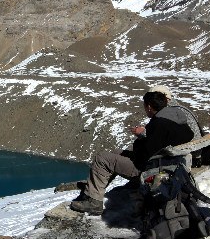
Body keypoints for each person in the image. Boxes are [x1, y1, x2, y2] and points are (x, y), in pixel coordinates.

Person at [69, 86, 197, 215]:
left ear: (149, 107)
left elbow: (144, 155)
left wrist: (140, 137)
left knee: (102, 158)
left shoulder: (158, 123)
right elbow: (160, 143)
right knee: (116, 152)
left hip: (150, 169)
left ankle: (94, 202)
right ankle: (93, 191)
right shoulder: (178, 120)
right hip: (170, 164)